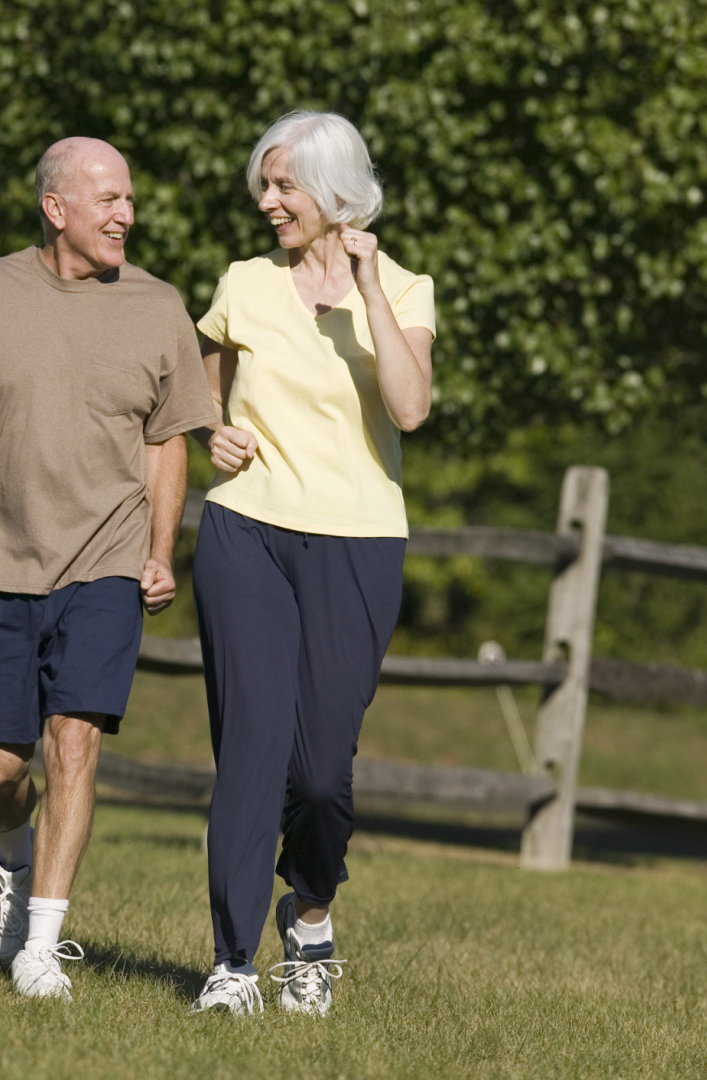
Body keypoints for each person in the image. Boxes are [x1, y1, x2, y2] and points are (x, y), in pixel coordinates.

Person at [0, 137, 219, 1002]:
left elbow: (167, 442)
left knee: (73, 741)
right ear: (57, 209)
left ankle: (42, 945)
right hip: (4, 557)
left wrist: (159, 554)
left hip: (108, 560)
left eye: (128, 200)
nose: (127, 214)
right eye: (109, 200)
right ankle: (13, 855)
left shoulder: (159, 307)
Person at [188, 112, 436, 1015]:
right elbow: (198, 389)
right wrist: (209, 432)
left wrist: (368, 290)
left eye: (283, 185)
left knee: (324, 774)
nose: (267, 201)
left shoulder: (406, 289)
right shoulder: (245, 284)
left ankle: (313, 912)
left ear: (333, 193)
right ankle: (231, 965)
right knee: (251, 751)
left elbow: (410, 410)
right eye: (265, 184)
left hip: (360, 541)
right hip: (245, 531)